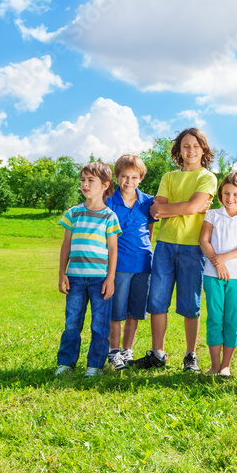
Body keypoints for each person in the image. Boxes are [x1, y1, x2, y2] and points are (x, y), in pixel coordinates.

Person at [134, 128, 216, 372]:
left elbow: (186, 208)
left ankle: (190, 355)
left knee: (190, 304)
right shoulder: (169, 177)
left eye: (195, 146)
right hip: (165, 245)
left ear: (203, 149)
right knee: (157, 300)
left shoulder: (207, 177)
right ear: (179, 151)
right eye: (185, 146)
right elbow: (155, 210)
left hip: (193, 248)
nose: (190, 150)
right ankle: (157, 353)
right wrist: (190, 207)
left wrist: (185, 207)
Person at [55, 161, 121, 378]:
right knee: (72, 322)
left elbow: (113, 249)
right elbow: (66, 245)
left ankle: (95, 366)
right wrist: (62, 273)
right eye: (82, 180)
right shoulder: (73, 213)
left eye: (90, 180)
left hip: (99, 279)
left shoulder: (110, 216)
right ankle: (66, 363)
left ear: (104, 185)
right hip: (74, 278)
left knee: (100, 325)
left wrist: (110, 279)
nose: (85, 184)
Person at [200, 170, 237, 376]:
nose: (230, 198)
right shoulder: (213, 215)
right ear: (220, 194)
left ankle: (226, 366)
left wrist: (224, 259)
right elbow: (204, 242)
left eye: (235, 194)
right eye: (226, 194)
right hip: (212, 275)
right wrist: (217, 263)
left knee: (232, 319)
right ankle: (214, 365)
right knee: (215, 318)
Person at [104, 154, 156, 369]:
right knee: (117, 311)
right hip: (119, 265)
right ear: (117, 177)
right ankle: (113, 352)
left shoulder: (148, 201)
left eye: (134, 177)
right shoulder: (109, 201)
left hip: (143, 264)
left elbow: (150, 230)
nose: (129, 181)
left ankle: (127, 350)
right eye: (124, 176)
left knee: (135, 311)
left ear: (141, 178)